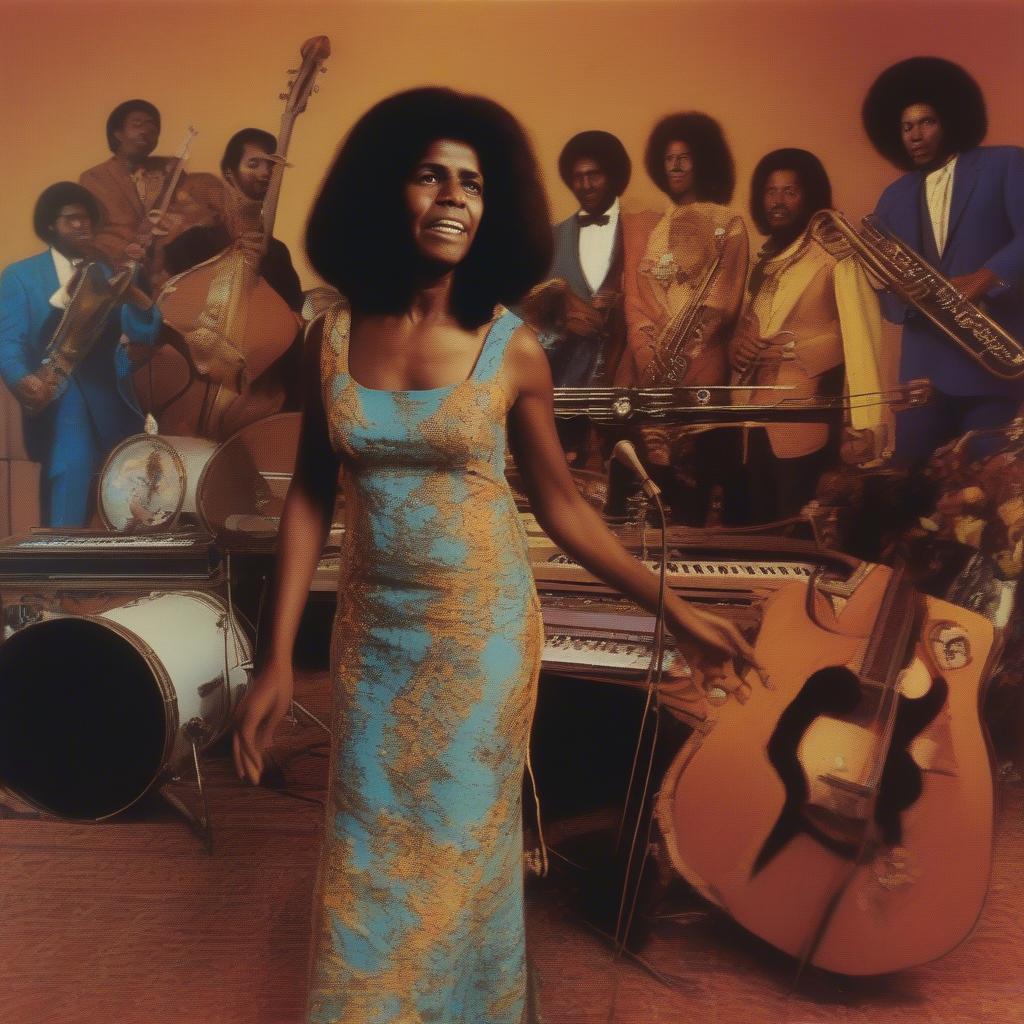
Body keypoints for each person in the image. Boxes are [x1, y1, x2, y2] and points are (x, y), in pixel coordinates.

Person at [231, 87, 761, 1024]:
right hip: (372, 637)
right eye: (430, 174)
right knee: (367, 846)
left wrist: (671, 605)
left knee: (459, 851)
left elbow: (561, 508)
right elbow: (311, 498)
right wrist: (275, 658)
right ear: (382, 191)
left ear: (494, 205)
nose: (452, 198)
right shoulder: (332, 337)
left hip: (481, 638)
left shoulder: (514, 351)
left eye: (471, 182)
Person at [864, 57, 1024, 462]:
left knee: (988, 496)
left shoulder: (1005, 163)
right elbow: (886, 300)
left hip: (989, 363)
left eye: (927, 122)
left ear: (950, 120)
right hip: (922, 368)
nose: (915, 135)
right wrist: (897, 291)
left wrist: (986, 276)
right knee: (908, 492)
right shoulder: (891, 198)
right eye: (906, 126)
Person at [728, 148, 884, 523]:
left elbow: (858, 336)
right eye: (770, 191)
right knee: (759, 531)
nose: (777, 202)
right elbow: (746, 328)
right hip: (751, 419)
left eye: (790, 192)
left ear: (809, 197)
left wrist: (794, 350)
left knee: (799, 535)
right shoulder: (763, 260)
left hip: (804, 417)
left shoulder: (835, 256)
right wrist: (737, 346)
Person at [609, 112, 748, 524]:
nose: (675, 165)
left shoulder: (728, 223)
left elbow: (724, 299)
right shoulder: (655, 225)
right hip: (651, 366)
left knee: (694, 481)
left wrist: (679, 346)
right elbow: (639, 295)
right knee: (651, 486)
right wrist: (649, 349)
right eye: (668, 158)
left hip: (701, 363)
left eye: (685, 157)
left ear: (703, 161)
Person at [0, 182, 161, 527]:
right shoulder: (20, 276)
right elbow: (8, 342)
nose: (81, 225)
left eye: (86, 218)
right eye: (71, 219)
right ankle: (64, 576)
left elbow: (146, 332)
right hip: (58, 403)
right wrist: (21, 379)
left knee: (129, 513)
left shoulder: (107, 274)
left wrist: (135, 292)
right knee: (68, 499)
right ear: (49, 225)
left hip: (115, 405)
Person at [523, 130, 631, 466]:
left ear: (613, 175)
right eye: (577, 177)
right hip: (563, 390)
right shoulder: (551, 239)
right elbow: (529, 319)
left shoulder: (642, 232)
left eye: (593, 175)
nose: (585, 185)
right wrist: (562, 323)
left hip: (622, 390)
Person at [79, 99, 220, 291]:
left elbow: (191, 208)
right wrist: (125, 250)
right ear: (117, 133)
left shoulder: (170, 170)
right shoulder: (93, 178)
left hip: (169, 276)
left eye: (153, 129)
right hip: (117, 275)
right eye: (137, 125)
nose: (146, 131)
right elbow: (90, 233)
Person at [162, 127, 304, 312]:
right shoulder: (194, 241)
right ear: (230, 172)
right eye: (253, 164)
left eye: (271, 166)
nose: (265, 173)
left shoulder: (277, 252)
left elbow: (291, 314)